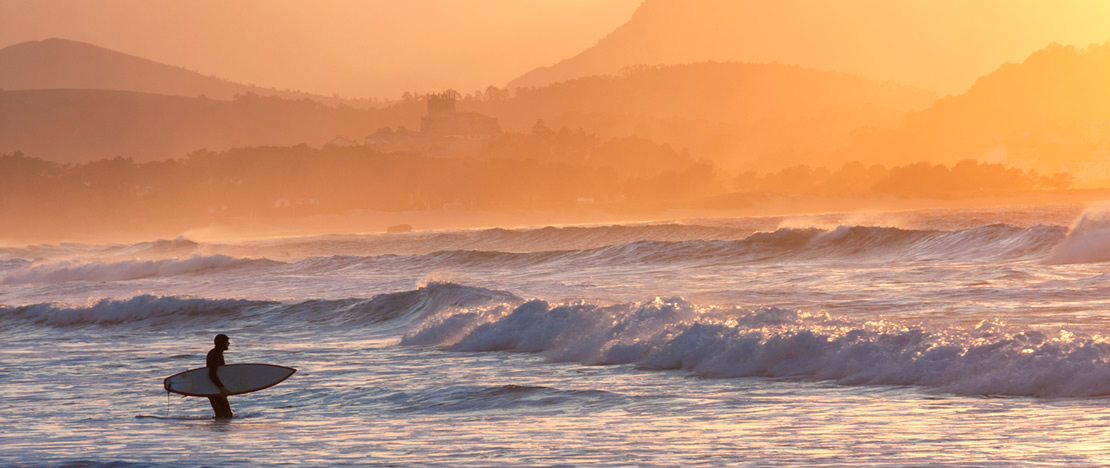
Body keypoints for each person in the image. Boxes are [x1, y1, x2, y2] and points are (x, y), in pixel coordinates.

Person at [207, 334, 233, 419]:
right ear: (221, 343)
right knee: (225, 415)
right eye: (226, 342)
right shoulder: (216, 355)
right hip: (215, 389)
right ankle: (219, 431)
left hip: (213, 388)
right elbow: (212, 374)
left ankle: (218, 429)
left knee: (222, 415)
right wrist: (221, 388)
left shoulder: (215, 353)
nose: (228, 343)